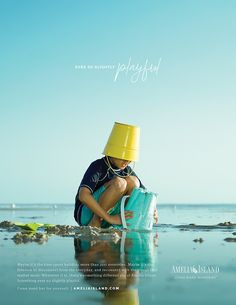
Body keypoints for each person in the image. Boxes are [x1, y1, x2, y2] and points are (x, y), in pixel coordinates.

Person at [74, 122, 157, 227]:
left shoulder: (127, 170)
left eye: (129, 158)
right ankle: (96, 221)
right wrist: (109, 218)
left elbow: (144, 193)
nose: (127, 161)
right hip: (87, 215)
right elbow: (83, 195)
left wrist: (153, 209)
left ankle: (121, 222)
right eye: (124, 157)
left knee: (133, 181)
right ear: (113, 152)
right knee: (120, 183)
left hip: (111, 217)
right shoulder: (98, 166)